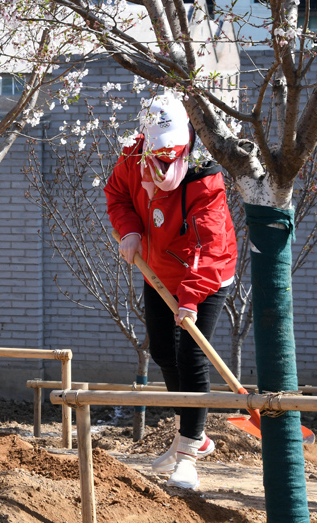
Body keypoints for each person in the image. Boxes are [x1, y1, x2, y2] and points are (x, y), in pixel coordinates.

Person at [104, 93, 237, 490]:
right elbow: (118, 195)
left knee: (191, 354)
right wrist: (129, 230)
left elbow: (210, 247)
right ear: (145, 139)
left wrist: (192, 299)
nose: (166, 155)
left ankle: (187, 456)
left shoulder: (203, 175)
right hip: (158, 270)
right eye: (158, 148)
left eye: (174, 147)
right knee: (163, 350)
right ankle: (193, 434)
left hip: (205, 276)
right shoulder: (132, 157)